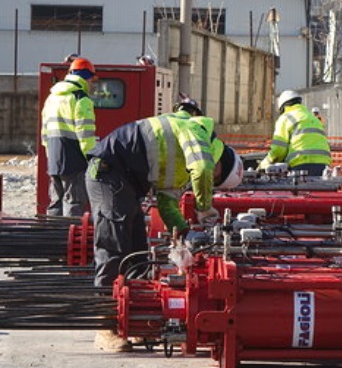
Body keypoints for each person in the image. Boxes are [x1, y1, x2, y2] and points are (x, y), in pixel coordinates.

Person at [86, 114, 242, 351]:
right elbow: (202, 169)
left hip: (125, 181)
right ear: (221, 159)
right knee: (114, 245)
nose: (212, 179)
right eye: (217, 177)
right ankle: (105, 325)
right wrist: (204, 209)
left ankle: (132, 320)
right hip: (108, 171)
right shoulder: (198, 133)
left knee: (137, 252)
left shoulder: (183, 169)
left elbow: (168, 205)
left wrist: (186, 234)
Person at [40, 56, 98, 216]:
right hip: (74, 160)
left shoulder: (52, 98)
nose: (93, 84)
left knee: (56, 202)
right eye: (92, 80)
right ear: (86, 77)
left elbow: (44, 133)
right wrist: (92, 158)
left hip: (54, 158)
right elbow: (85, 135)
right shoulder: (81, 99)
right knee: (74, 202)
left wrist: (51, 155)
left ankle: (52, 237)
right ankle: (68, 238)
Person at [259, 90, 331, 176]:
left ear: (283, 107)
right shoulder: (313, 118)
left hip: (300, 164)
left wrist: (262, 165)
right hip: (323, 166)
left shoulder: (285, 118)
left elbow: (278, 151)